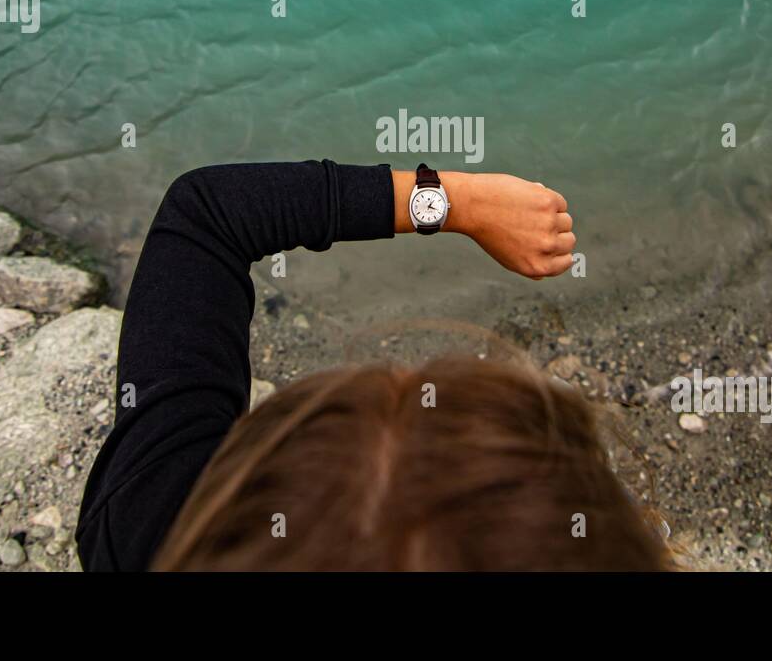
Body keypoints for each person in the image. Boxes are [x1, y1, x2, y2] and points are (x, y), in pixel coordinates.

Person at [76, 160, 674, 570]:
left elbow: (205, 211)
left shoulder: (159, 533)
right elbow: (206, 213)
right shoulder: (151, 531)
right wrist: (457, 202)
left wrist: (452, 201)